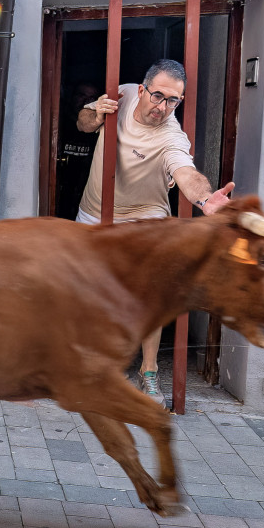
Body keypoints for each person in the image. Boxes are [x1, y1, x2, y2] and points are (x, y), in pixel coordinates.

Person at [75, 59, 235, 406]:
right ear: (142, 89)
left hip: (144, 216)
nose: (162, 107)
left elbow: (186, 173)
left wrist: (205, 200)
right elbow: (83, 124)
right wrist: (96, 113)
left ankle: (148, 370)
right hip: (95, 213)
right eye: (158, 96)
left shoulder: (171, 136)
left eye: (173, 100)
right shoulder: (123, 94)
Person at [56, 81, 101, 219]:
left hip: (87, 188)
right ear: (72, 96)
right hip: (59, 184)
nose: (86, 101)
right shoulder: (59, 120)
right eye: (82, 95)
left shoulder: (100, 126)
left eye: (92, 98)